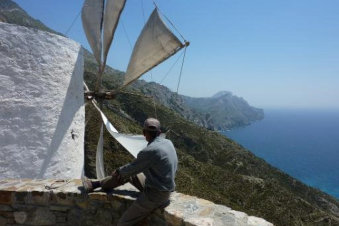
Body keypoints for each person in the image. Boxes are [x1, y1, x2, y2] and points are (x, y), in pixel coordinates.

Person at [83, 118, 178, 226]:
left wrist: (118, 171)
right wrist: (122, 172)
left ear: (143, 133)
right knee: (128, 174)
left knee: (124, 223)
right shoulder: (168, 143)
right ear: (160, 132)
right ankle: (98, 184)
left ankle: (98, 184)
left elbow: (133, 167)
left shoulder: (150, 151)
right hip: (165, 188)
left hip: (155, 194)